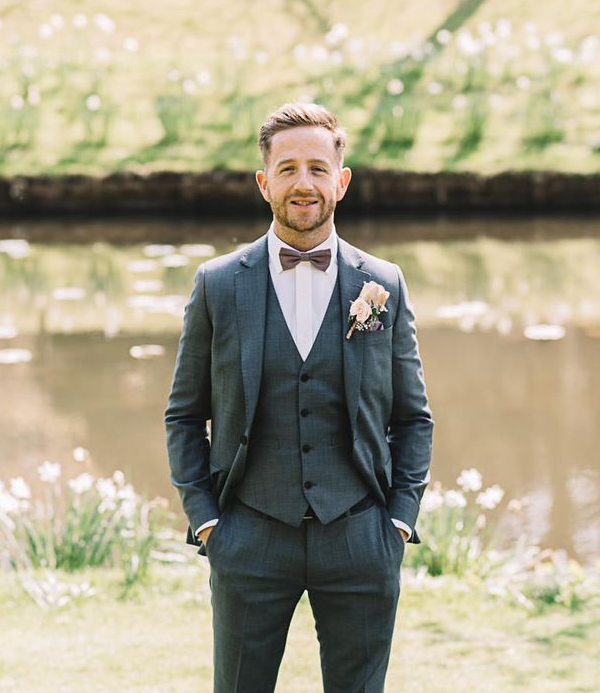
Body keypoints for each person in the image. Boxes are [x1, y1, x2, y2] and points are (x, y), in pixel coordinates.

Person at [165, 102, 433, 693]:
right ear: (265, 184)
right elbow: (184, 415)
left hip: (361, 535)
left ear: (342, 180)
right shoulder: (217, 284)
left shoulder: (382, 282)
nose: (303, 183)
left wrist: (398, 521)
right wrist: (207, 520)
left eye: (317, 167)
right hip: (249, 536)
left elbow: (412, 417)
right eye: (287, 169)